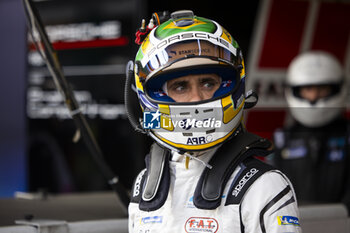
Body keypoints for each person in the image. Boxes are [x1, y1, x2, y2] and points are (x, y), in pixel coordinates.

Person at [126, 10, 302, 233]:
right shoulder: (145, 184)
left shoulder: (264, 186)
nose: (197, 98)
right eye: (180, 87)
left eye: (208, 83)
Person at [273, 51, 350, 209]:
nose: (314, 96)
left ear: (336, 89)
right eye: (308, 89)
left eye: (322, 89)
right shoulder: (282, 139)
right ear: (294, 91)